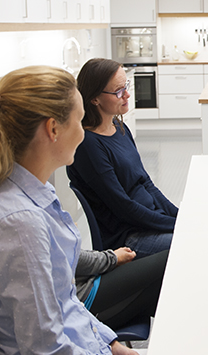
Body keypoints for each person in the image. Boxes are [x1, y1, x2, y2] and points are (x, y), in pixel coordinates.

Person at [0, 65, 143, 355]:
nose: (84, 133)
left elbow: (64, 301)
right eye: (79, 121)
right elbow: (46, 351)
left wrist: (109, 345)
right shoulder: (18, 223)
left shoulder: (29, 196)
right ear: (53, 128)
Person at [68, 58, 178, 259]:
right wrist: (176, 225)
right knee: (194, 239)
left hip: (148, 220)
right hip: (129, 237)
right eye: (118, 91)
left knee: (197, 228)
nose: (127, 94)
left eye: (126, 86)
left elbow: (146, 183)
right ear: (94, 99)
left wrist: (179, 216)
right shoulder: (88, 146)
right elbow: (124, 207)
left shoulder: (120, 128)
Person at [76, 248, 168, 330]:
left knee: (161, 290)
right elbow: (74, 257)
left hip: (88, 278)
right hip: (81, 303)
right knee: (171, 259)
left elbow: (74, 251)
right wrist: (113, 258)